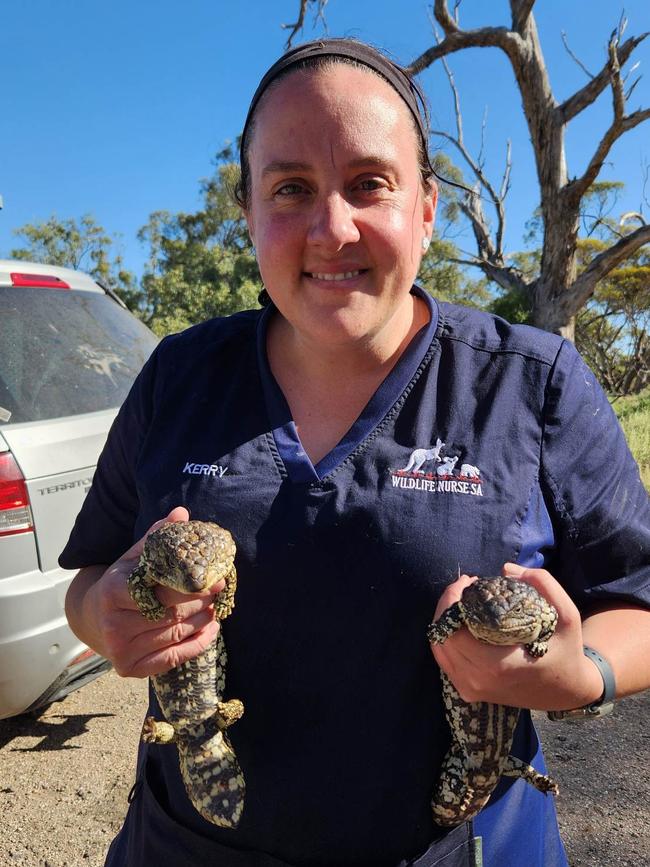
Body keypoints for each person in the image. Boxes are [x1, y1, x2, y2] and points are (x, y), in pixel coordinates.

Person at [61, 38, 650, 867]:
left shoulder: (532, 383)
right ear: (248, 210)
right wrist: (107, 616)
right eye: (291, 188)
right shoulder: (180, 376)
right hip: (188, 844)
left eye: (369, 183)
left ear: (427, 208)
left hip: (468, 846)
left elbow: (640, 601)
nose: (332, 228)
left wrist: (583, 671)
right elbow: (89, 583)